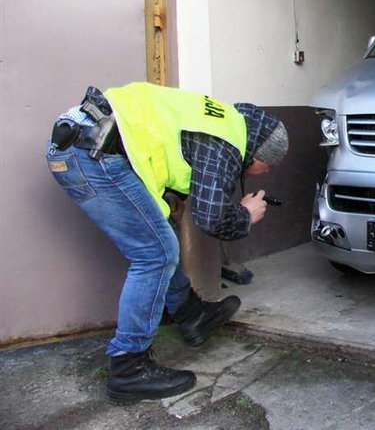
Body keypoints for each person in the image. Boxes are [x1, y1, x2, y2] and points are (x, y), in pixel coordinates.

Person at [45, 82, 288, 405]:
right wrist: (245, 214)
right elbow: (212, 218)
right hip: (92, 154)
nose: (262, 173)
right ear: (258, 155)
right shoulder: (228, 141)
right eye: (267, 167)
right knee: (156, 255)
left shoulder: (226, 119)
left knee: (161, 238)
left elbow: (173, 150)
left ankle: (192, 315)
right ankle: (129, 366)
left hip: (85, 142)